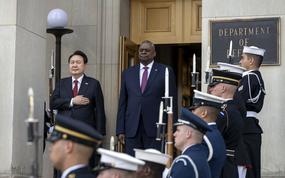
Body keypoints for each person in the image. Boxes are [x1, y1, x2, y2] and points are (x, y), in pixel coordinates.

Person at [116, 40, 177, 156]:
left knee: (152, 167)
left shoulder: (165, 71)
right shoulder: (128, 73)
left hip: (156, 129)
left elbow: (172, 101)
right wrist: (120, 130)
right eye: (141, 50)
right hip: (132, 128)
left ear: (154, 53)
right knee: (133, 166)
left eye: (147, 50)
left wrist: (170, 129)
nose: (143, 52)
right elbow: (122, 102)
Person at [51, 50, 106, 135]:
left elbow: (100, 111)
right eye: (72, 62)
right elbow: (53, 103)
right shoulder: (62, 83)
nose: (75, 65)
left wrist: (99, 134)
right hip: (64, 132)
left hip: (85, 133)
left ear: (85, 65)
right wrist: (72, 101)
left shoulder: (94, 84)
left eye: (78, 62)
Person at [208, 65, 248, 178]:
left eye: (214, 85)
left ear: (223, 88)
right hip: (231, 162)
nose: (211, 89)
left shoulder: (224, 112)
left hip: (225, 165)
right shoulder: (233, 109)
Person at [235, 46, 266, 178]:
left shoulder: (249, 78)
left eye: (243, 58)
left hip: (246, 126)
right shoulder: (254, 77)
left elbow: (239, 101)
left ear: (251, 60)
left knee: (247, 168)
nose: (240, 62)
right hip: (250, 125)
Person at [189, 90, 226, 178]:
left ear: (204, 113)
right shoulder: (215, 134)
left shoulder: (203, 137)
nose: (191, 113)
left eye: (194, 109)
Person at [167, 108, 211, 178]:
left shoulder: (185, 163)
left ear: (188, 134)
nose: (174, 134)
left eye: (178, 130)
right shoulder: (199, 154)